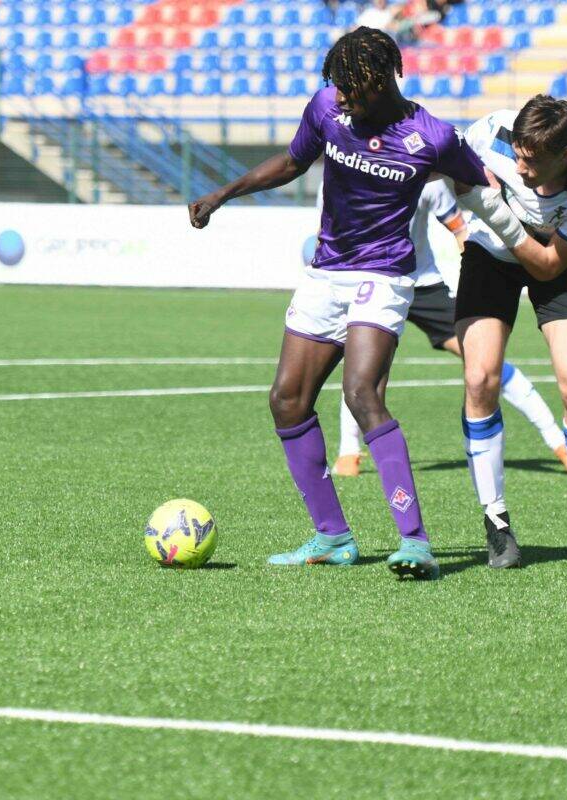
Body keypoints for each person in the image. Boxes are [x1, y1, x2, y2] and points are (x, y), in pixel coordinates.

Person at [188, 27, 493, 580]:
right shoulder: (328, 108)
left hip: (385, 275)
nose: (340, 97)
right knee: (286, 399)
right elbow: (290, 162)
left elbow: (484, 186)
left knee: (360, 392)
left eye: (350, 88)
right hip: (327, 271)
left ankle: (415, 541)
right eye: (337, 87)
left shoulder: (433, 136)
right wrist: (221, 195)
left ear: (378, 81)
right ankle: (331, 536)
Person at [452, 95, 567, 571]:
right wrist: (462, 215)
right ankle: (496, 523)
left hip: (552, 262)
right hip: (488, 258)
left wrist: (498, 215)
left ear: (564, 155)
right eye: (518, 158)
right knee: (480, 379)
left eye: (534, 163)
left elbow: (547, 267)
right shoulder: (493, 131)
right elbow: (447, 165)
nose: (522, 170)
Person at [330, 177, 567, 478]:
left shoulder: (425, 175)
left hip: (422, 285)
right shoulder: (345, 170)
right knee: (359, 367)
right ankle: (349, 453)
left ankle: (559, 444)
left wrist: (476, 281)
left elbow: (459, 228)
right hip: (370, 284)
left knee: (485, 361)